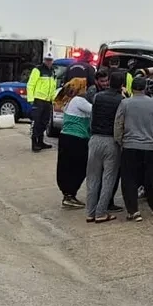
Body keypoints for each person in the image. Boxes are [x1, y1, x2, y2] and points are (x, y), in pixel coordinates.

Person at [114, 77, 153, 220]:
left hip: (130, 146)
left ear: (132, 88)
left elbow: (118, 124)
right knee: (152, 178)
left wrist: (120, 141)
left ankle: (133, 211)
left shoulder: (125, 103)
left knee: (129, 179)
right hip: (150, 147)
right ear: (145, 88)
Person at [85, 72, 125, 223]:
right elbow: (120, 122)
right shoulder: (122, 101)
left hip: (95, 139)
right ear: (121, 85)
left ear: (109, 81)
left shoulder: (97, 97)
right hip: (111, 141)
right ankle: (101, 212)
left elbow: (92, 118)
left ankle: (90, 212)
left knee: (92, 177)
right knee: (108, 178)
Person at [56, 77, 92, 208]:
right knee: (79, 167)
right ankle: (70, 194)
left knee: (66, 167)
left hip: (66, 137)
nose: (87, 89)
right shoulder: (79, 101)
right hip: (77, 138)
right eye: (84, 86)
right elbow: (95, 109)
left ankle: (68, 194)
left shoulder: (69, 101)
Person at [26, 52, 59, 152]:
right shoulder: (38, 70)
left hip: (48, 101)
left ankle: (40, 141)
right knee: (36, 122)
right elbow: (30, 85)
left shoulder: (52, 71)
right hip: (38, 100)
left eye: (50, 60)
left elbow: (53, 87)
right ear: (44, 60)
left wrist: (53, 99)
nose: (49, 62)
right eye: (47, 60)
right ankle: (34, 143)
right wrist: (31, 99)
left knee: (45, 122)